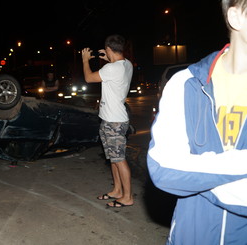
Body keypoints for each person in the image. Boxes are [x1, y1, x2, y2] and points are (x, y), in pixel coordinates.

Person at [147, 1, 247, 243]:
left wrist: (194, 178)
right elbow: (164, 170)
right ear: (236, 17)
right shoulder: (186, 83)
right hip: (190, 236)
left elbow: (174, 171)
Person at [81, 34, 133, 208]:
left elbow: (89, 78)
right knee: (113, 157)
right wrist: (109, 59)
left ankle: (127, 196)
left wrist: (85, 60)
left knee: (119, 159)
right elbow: (116, 68)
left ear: (109, 49)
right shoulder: (127, 64)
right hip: (113, 118)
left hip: (114, 121)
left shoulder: (112, 69)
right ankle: (117, 190)